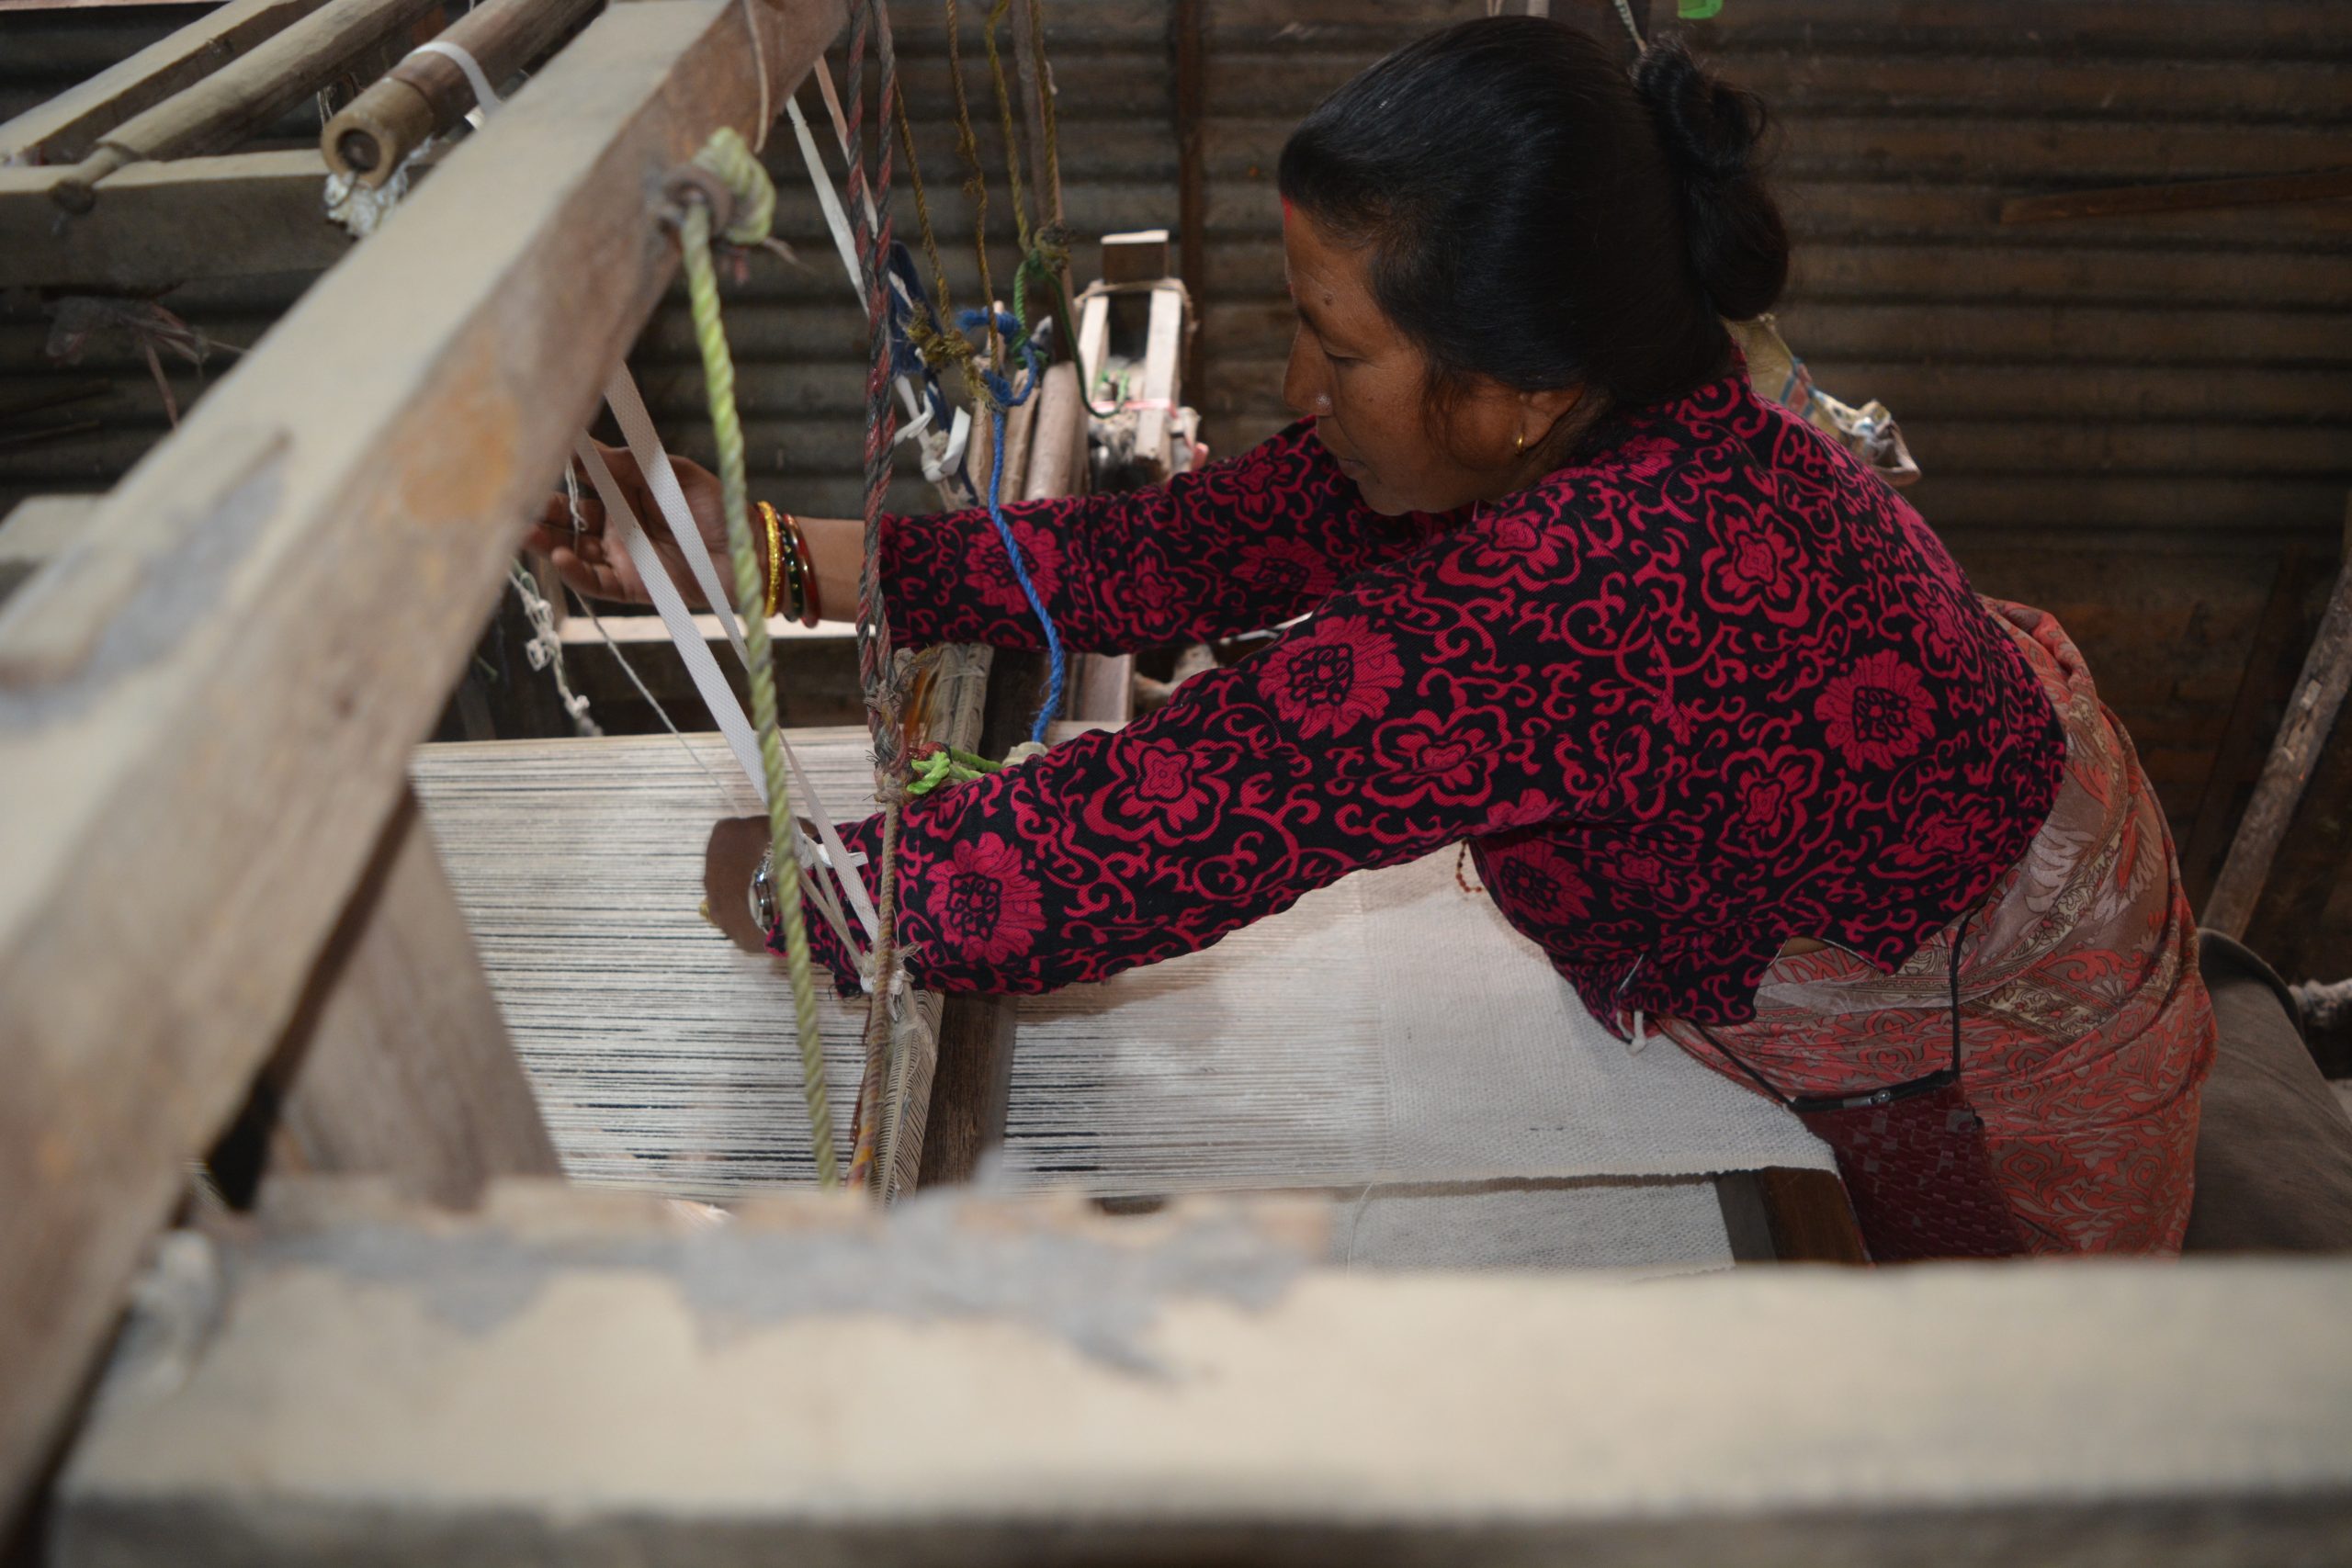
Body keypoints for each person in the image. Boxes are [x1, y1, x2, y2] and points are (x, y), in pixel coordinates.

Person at [528, 19, 2213, 1258]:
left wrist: (803, 892)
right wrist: (753, 551)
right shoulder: (1596, 406)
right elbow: (1175, 552)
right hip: (1867, 825)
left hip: (1981, 1013)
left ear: (1514, 395)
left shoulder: (1587, 585)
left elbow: (1161, 829)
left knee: (1964, 1404)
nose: (1293, 390)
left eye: (1336, 346)